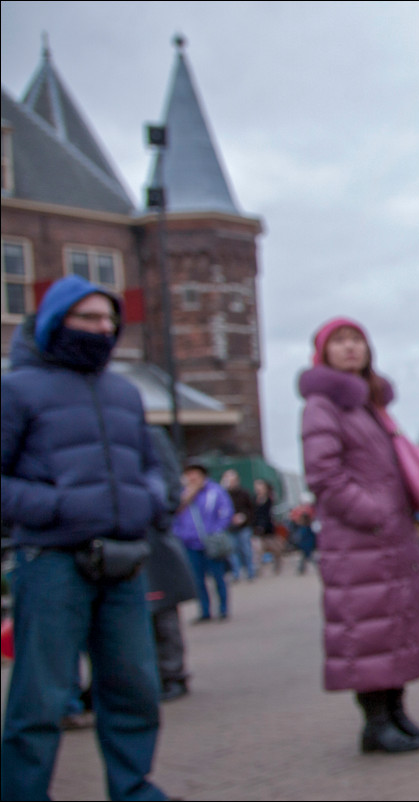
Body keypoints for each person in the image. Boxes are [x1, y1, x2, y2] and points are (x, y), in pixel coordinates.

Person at [1, 274, 171, 800]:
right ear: (57, 321)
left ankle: (133, 788)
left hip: (123, 561)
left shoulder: (124, 392)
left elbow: (150, 466)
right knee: (43, 695)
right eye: (90, 318)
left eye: (110, 321)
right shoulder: (16, 389)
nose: (104, 329)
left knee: (134, 688)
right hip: (51, 560)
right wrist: (58, 507)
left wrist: (149, 502)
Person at [298, 317, 419, 755]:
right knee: (366, 636)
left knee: (395, 630)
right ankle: (376, 723)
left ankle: (397, 715)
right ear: (322, 353)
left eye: (356, 341)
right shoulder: (323, 405)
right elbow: (323, 473)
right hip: (358, 542)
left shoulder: (369, 405)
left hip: (389, 538)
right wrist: (374, 512)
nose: (350, 349)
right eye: (339, 342)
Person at [143, 427, 197, 702]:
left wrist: (159, 517)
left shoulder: (148, 435)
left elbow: (172, 490)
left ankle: (172, 673)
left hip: (150, 538)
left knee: (162, 611)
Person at [172, 462, 234, 623]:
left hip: (211, 542)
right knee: (198, 580)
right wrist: (180, 535)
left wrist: (217, 530)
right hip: (190, 543)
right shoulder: (181, 494)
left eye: (195, 473)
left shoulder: (214, 491)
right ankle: (205, 611)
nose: (192, 477)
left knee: (218, 577)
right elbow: (174, 516)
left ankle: (223, 609)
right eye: (189, 473)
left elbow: (226, 511)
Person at [220, 468, 256, 583]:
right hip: (230, 528)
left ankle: (251, 572)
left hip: (244, 527)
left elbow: (252, 509)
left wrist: (244, 517)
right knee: (232, 552)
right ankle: (236, 573)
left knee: (246, 550)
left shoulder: (244, 493)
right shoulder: (223, 495)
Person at [252, 478, 284, 574]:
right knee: (258, 551)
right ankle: (258, 571)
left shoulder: (270, 499)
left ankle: (277, 566)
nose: (258, 489)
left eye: (260, 486)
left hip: (269, 529)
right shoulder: (253, 500)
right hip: (258, 530)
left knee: (276, 550)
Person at [287, 496, 318, 575]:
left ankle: (302, 569)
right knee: (307, 555)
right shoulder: (301, 511)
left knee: (307, 555)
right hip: (305, 539)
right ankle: (303, 568)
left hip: (307, 538)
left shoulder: (309, 511)